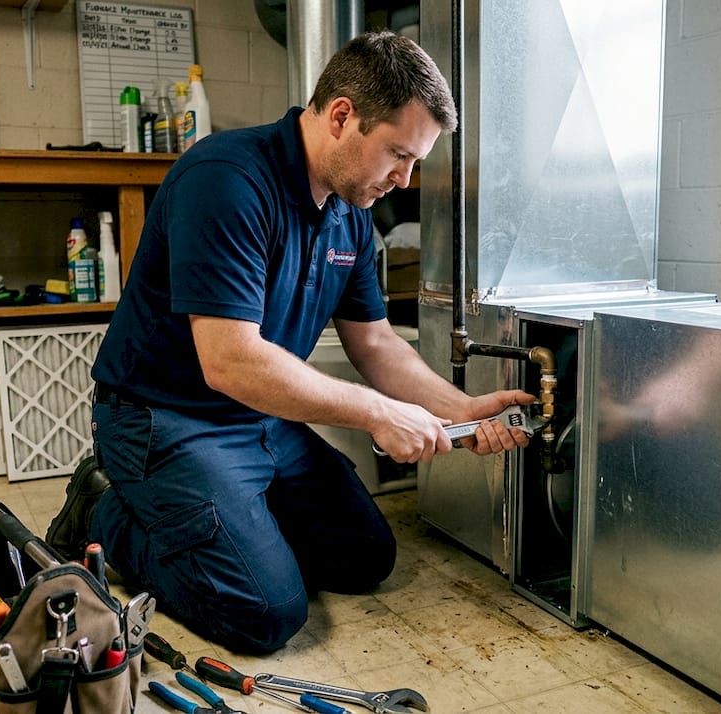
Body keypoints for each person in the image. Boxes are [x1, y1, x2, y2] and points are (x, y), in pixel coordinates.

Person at [46, 31, 533, 653]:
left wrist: (460, 409)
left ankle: (229, 523)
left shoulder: (350, 212)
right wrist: (378, 413)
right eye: (397, 154)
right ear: (342, 116)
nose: (404, 179)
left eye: (415, 162)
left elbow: (375, 343)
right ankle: (103, 512)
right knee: (265, 614)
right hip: (166, 419)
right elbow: (229, 360)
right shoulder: (226, 179)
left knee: (365, 557)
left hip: (260, 416)